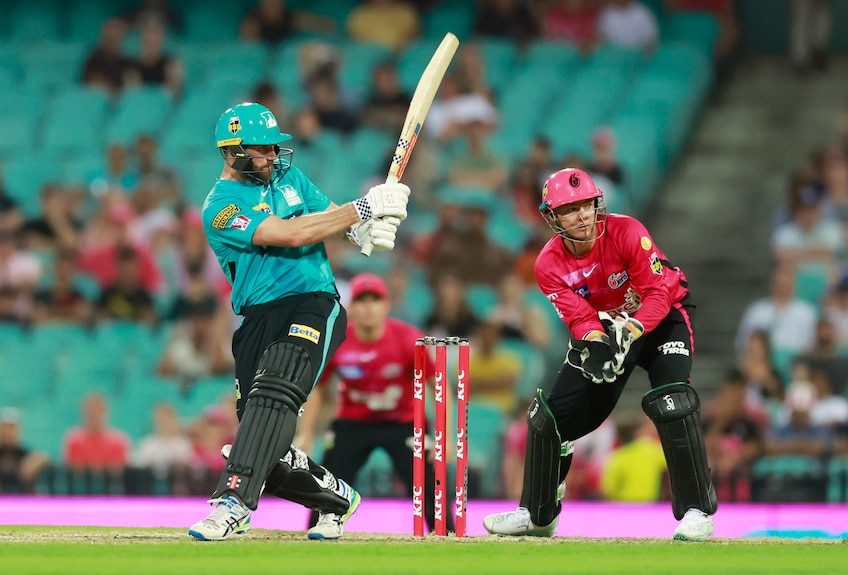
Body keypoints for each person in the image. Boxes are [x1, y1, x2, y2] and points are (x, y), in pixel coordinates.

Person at [187, 102, 410, 541]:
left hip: (313, 303)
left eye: (274, 147)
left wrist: (367, 231)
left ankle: (231, 503)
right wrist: (362, 210)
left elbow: (332, 220)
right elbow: (291, 233)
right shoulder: (220, 206)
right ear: (232, 152)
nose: (272, 157)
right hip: (256, 318)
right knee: (261, 438)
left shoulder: (291, 178)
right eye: (262, 150)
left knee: (274, 393)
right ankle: (338, 499)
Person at [482, 168, 717, 541]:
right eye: (570, 209)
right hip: (607, 329)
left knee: (672, 400)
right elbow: (580, 318)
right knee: (551, 417)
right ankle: (538, 515)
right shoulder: (547, 265)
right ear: (553, 217)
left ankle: (696, 512)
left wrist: (633, 329)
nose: (583, 216)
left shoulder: (627, 232)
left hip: (661, 320)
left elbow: (658, 295)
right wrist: (597, 344)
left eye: (587, 205)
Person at [299, 273, 454, 535]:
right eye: (362, 300)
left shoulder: (408, 339)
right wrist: (305, 433)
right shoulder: (338, 341)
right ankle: (314, 536)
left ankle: (447, 536)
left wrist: (445, 438)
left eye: (375, 300)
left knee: (429, 484)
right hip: (352, 423)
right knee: (325, 482)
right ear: (352, 307)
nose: (369, 307)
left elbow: (440, 387)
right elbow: (319, 389)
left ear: (386, 306)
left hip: (404, 423)